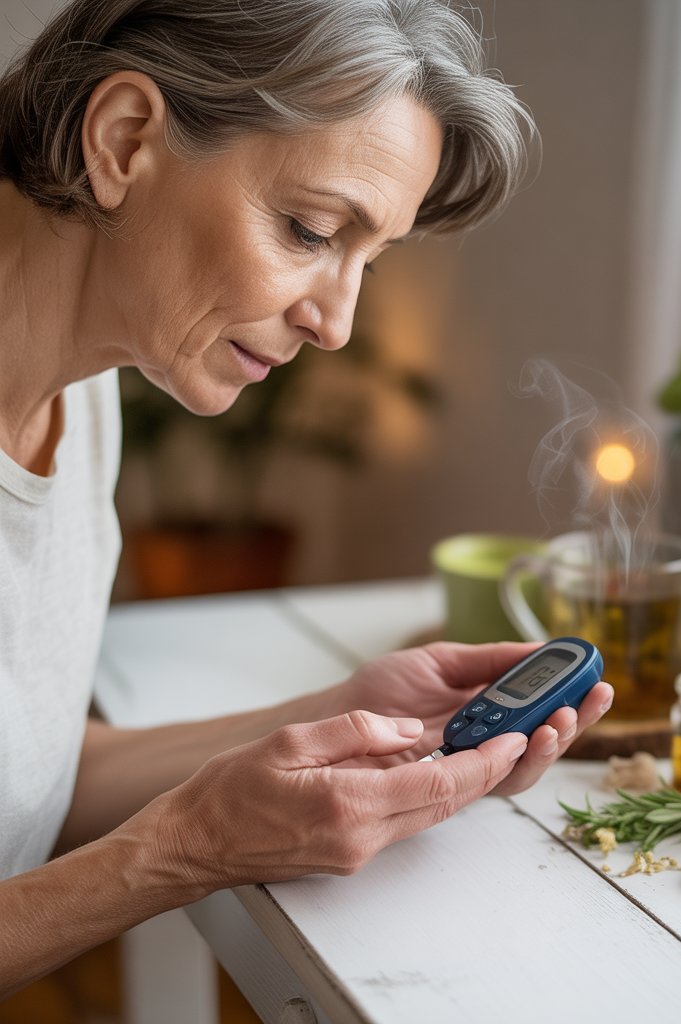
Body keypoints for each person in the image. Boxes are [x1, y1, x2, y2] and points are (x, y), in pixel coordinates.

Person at [0, 0, 614, 997]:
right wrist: (179, 852)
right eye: (309, 228)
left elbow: (30, 773)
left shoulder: (81, 392)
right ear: (123, 141)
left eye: (368, 258)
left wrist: (341, 716)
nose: (336, 321)